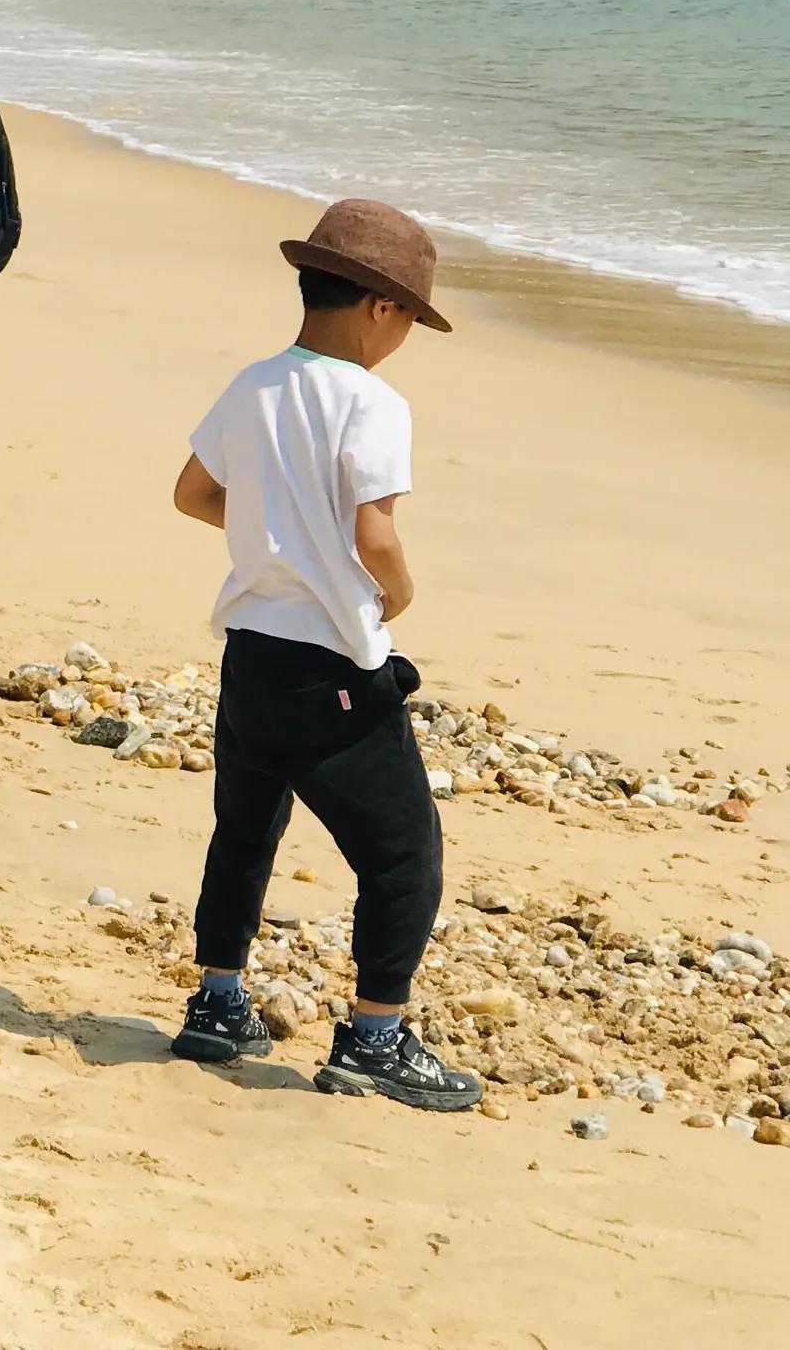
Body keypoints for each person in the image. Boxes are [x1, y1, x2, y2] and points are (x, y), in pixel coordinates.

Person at [165, 199, 480, 1112]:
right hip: (334, 667)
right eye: (410, 320)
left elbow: (192, 493)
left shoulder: (254, 383)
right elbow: (373, 533)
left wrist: (273, 537)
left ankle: (217, 1002)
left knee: (245, 832)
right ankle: (375, 1037)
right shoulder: (373, 401)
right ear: (381, 308)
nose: (405, 337)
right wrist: (399, 593)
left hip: (251, 653)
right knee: (403, 854)